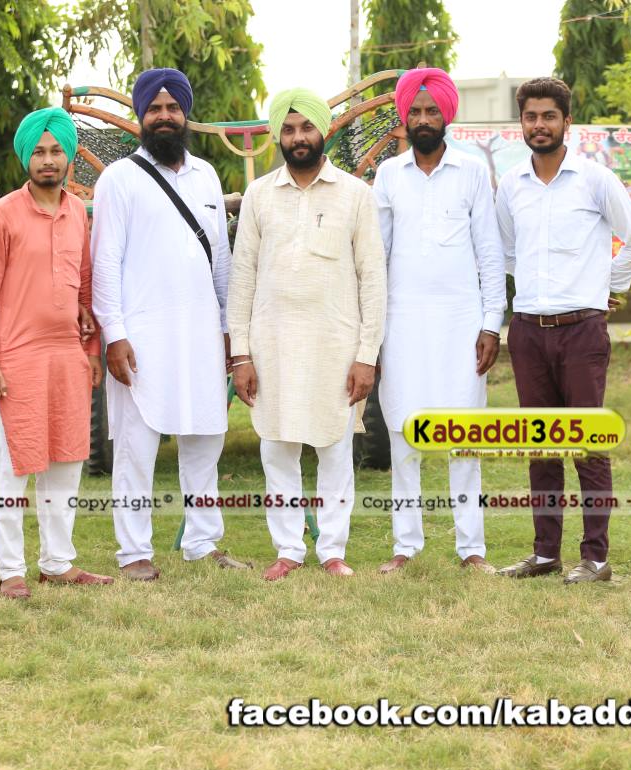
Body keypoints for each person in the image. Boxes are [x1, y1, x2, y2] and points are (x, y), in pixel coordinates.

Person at [91, 67, 250, 580]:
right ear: (141, 116)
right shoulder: (118, 179)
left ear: (185, 114)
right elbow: (104, 263)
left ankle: (202, 542)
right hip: (141, 338)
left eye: (173, 108)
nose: (165, 116)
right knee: (136, 449)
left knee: (205, 439)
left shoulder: (206, 176)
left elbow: (221, 261)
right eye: (155, 109)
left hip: (201, 334)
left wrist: (229, 330)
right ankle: (134, 552)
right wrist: (114, 335)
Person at [495, 77, 631, 584]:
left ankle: (596, 559)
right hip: (528, 331)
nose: (539, 125)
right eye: (530, 117)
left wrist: (604, 285)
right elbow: (507, 252)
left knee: (587, 444)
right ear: (521, 123)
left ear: (567, 121)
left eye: (549, 116)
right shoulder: (512, 185)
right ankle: (545, 555)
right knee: (540, 446)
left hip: (582, 332)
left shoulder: (594, 179)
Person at [228, 88, 386, 581]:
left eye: (307, 128)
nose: (299, 137)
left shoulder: (356, 195)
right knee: (276, 447)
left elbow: (373, 279)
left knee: (335, 447)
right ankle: (288, 550)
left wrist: (367, 354)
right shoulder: (259, 195)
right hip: (271, 344)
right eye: (289, 129)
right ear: (279, 136)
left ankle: (333, 550)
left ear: (324, 131)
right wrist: (240, 355)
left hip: (335, 344)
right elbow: (242, 277)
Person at [0, 107, 112, 599]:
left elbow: (85, 288)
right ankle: (11, 570)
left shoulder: (77, 215)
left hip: (67, 359)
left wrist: (90, 350)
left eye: (56, 152)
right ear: (26, 158)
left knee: (66, 464)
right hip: (16, 361)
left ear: (69, 157)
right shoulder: (3, 215)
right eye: (39, 152)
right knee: (14, 468)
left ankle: (58, 562)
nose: (48, 160)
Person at [372, 67, 506, 575]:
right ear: (404, 118)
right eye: (415, 111)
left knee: (463, 433)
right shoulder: (389, 175)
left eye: (432, 110)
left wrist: (491, 324)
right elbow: (378, 257)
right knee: (403, 430)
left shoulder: (471, 171)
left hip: (461, 324)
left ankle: (472, 548)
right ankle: (405, 545)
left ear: (446, 115)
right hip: (402, 322)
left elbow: (490, 253)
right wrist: (373, 332)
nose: (424, 119)